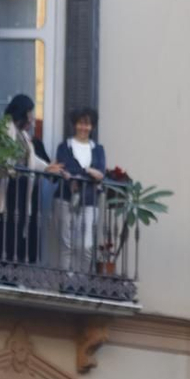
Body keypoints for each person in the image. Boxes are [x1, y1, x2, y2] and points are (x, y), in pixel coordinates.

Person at [0, 92, 61, 264]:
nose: (32, 118)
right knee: (9, 226)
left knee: (19, 227)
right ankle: (5, 270)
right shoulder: (6, 129)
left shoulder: (24, 136)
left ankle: (14, 270)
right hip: (11, 185)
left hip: (23, 186)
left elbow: (32, 159)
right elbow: (4, 157)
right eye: (30, 113)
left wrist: (48, 167)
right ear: (23, 112)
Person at [53, 107, 109, 273]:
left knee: (86, 245)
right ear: (75, 125)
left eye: (87, 124)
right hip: (65, 199)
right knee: (67, 244)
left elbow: (100, 173)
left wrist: (83, 173)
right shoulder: (64, 147)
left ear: (92, 127)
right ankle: (68, 283)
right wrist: (89, 172)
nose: (84, 128)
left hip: (90, 201)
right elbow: (64, 168)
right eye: (80, 123)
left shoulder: (98, 149)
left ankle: (81, 282)